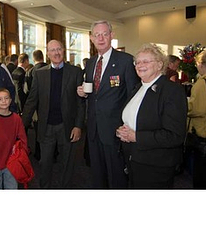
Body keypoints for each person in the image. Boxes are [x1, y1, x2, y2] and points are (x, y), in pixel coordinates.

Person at [77, 20, 139, 189]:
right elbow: (93, 94)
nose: (101, 38)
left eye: (105, 34)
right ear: (91, 38)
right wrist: (83, 93)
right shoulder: (90, 63)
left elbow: (133, 95)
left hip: (115, 129)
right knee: (97, 173)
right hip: (93, 128)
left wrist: (127, 125)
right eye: (97, 35)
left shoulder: (126, 61)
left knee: (117, 174)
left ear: (112, 35)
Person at [116, 43, 188, 189]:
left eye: (146, 61)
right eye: (138, 62)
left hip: (156, 164)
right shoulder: (138, 87)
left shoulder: (172, 91)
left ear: (160, 65)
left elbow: (174, 135)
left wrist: (135, 136)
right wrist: (123, 130)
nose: (140, 65)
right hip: (133, 158)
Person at [22, 40, 85, 188]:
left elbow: (80, 103)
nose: (56, 53)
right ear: (48, 53)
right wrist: (21, 126)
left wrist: (78, 126)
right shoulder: (39, 74)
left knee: (67, 163)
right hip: (46, 127)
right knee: (45, 163)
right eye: (52, 50)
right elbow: (32, 101)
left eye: (59, 49)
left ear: (63, 51)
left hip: (68, 127)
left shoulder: (75, 72)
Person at [0, 88, 28, 189]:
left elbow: (23, 139)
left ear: (11, 100)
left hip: (11, 163)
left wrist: (20, 157)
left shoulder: (16, 119)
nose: (3, 101)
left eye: (6, 98)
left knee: (12, 187)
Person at [187, 50, 206, 188]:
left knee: (201, 171)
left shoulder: (202, 82)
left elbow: (197, 109)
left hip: (202, 131)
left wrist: (184, 105)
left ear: (200, 64)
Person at [24, 49, 47, 161]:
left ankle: (39, 154)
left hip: (36, 106)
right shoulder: (50, 68)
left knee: (39, 130)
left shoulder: (31, 71)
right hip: (49, 106)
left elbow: (27, 90)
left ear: (33, 59)